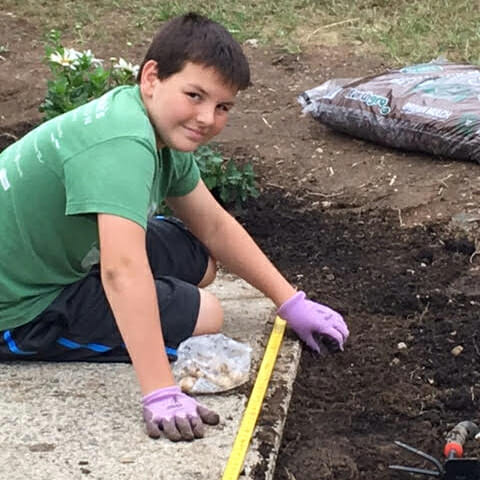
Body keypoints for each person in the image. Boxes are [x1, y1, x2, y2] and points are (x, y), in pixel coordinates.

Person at [0, 12, 349, 442]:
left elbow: (214, 225)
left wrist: (289, 300)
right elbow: (121, 272)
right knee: (207, 314)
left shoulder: (150, 124)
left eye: (222, 107)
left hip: (42, 250)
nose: (206, 118)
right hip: (20, 304)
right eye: (195, 95)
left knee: (200, 260)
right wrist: (160, 391)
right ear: (151, 78)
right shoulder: (122, 145)